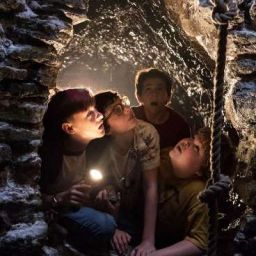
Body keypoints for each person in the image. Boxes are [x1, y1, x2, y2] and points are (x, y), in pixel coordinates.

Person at [38, 88, 117, 253]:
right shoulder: (49, 157)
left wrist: (102, 192)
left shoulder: (96, 144)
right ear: (69, 128)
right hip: (56, 211)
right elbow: (30, 199)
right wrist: (58, 199)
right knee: (105, 225)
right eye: (90, 114)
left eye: (95, 109)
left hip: (77, 208)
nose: (100, 115)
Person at [87, 90, 159, 256]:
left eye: (124, 103)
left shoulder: (146, 134)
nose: (128, 109)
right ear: (105, 126)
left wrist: (148, 240)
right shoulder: (96, 146)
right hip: (110, 211)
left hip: (137, 208)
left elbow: (151, 186)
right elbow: (93, 188)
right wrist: (113, 227)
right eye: (117, 110)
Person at [152, 127, 235, 256]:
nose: (187, 143)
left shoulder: (199, 194)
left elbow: (198, 242)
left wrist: (155, 254)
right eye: (192, 138)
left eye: (196, 148)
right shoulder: (165, 156)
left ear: (200, 171)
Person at [132, 68, 190, 149]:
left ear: (168, 97)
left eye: (159, 89)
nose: (154, 93)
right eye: (148, 89)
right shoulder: (130, 117)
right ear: (139, 97)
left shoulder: (179, 127)